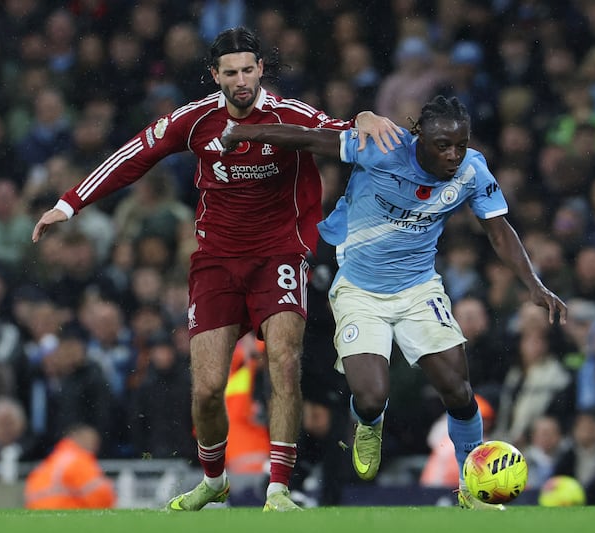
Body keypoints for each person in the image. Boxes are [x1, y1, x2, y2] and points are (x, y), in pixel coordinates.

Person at [31, 26, 401, 513]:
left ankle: (279, 489)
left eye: (249, 69)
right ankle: (213, 479)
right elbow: (137, 152)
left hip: (279, 255)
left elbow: (338, 132)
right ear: (215, 76)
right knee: (207, 389)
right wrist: (70, 203)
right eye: (231, 72)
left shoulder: (289, 116)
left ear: (260, 70)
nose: (242, 79)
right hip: (217, 263)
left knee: (284, 363)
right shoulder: (197, 120)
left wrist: (366, 116)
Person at [220, 95, 568, 509]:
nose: (454, 155)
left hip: (419, 289)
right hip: (359, 291)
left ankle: (471, 488)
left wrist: (533, 283)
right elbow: (310, 139)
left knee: (457, 389)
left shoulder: (472, 171)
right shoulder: (381, 147)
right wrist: (246, 132)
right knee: (370, 397)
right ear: (419, 137)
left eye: (461, 144)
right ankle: (369, 422)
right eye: (443, 145)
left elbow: (498, 229)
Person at [23, 424, 116, 509]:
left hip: (39, 516)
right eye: (92, 440)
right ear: (76, 437)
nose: (95, 447)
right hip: (63, 515)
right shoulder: (78, 460)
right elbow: (101, 495)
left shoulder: (53, 460)